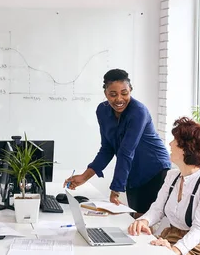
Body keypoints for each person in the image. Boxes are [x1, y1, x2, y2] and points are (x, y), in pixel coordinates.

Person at [128, 117, 200, 255]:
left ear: (188, 149)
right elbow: (157, 209)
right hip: (173, 236)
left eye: (175, 141)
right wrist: (144, 221)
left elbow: (199, 230)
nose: (170, 144)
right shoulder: (172, 175)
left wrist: (175, 250)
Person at [66, 69, 171, 216]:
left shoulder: (138, 112)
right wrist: (84, 177)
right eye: (113, 94)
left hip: (153, 169)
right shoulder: (102, 111)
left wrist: (116, 189)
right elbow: (107, 148)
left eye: (124, 93)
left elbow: (126, 151)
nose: (119, 99)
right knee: (136, 218)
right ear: (105, 94)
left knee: (143, 219)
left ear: (130, 90)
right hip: (131, 170)